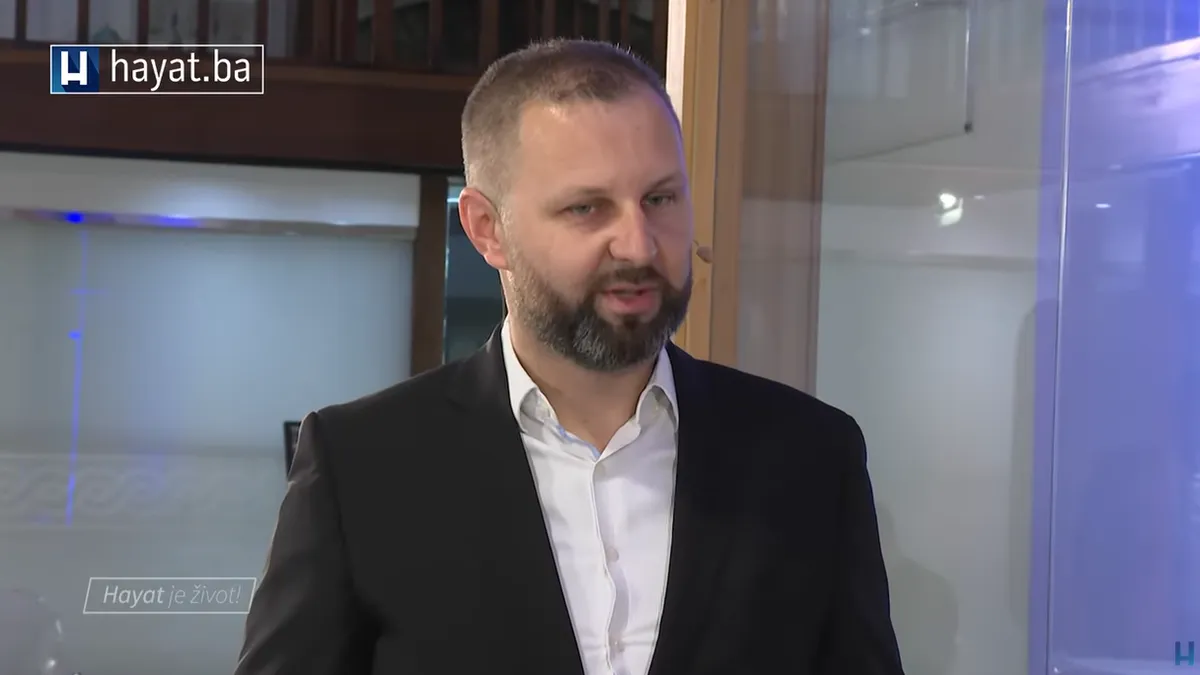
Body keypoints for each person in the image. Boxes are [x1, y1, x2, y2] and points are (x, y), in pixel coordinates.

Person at [234, 38, 904, 675]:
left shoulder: (811, 457)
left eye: (660, 199)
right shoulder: (361, 466)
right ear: (487, 230)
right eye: (587, 208)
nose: (639, 245)